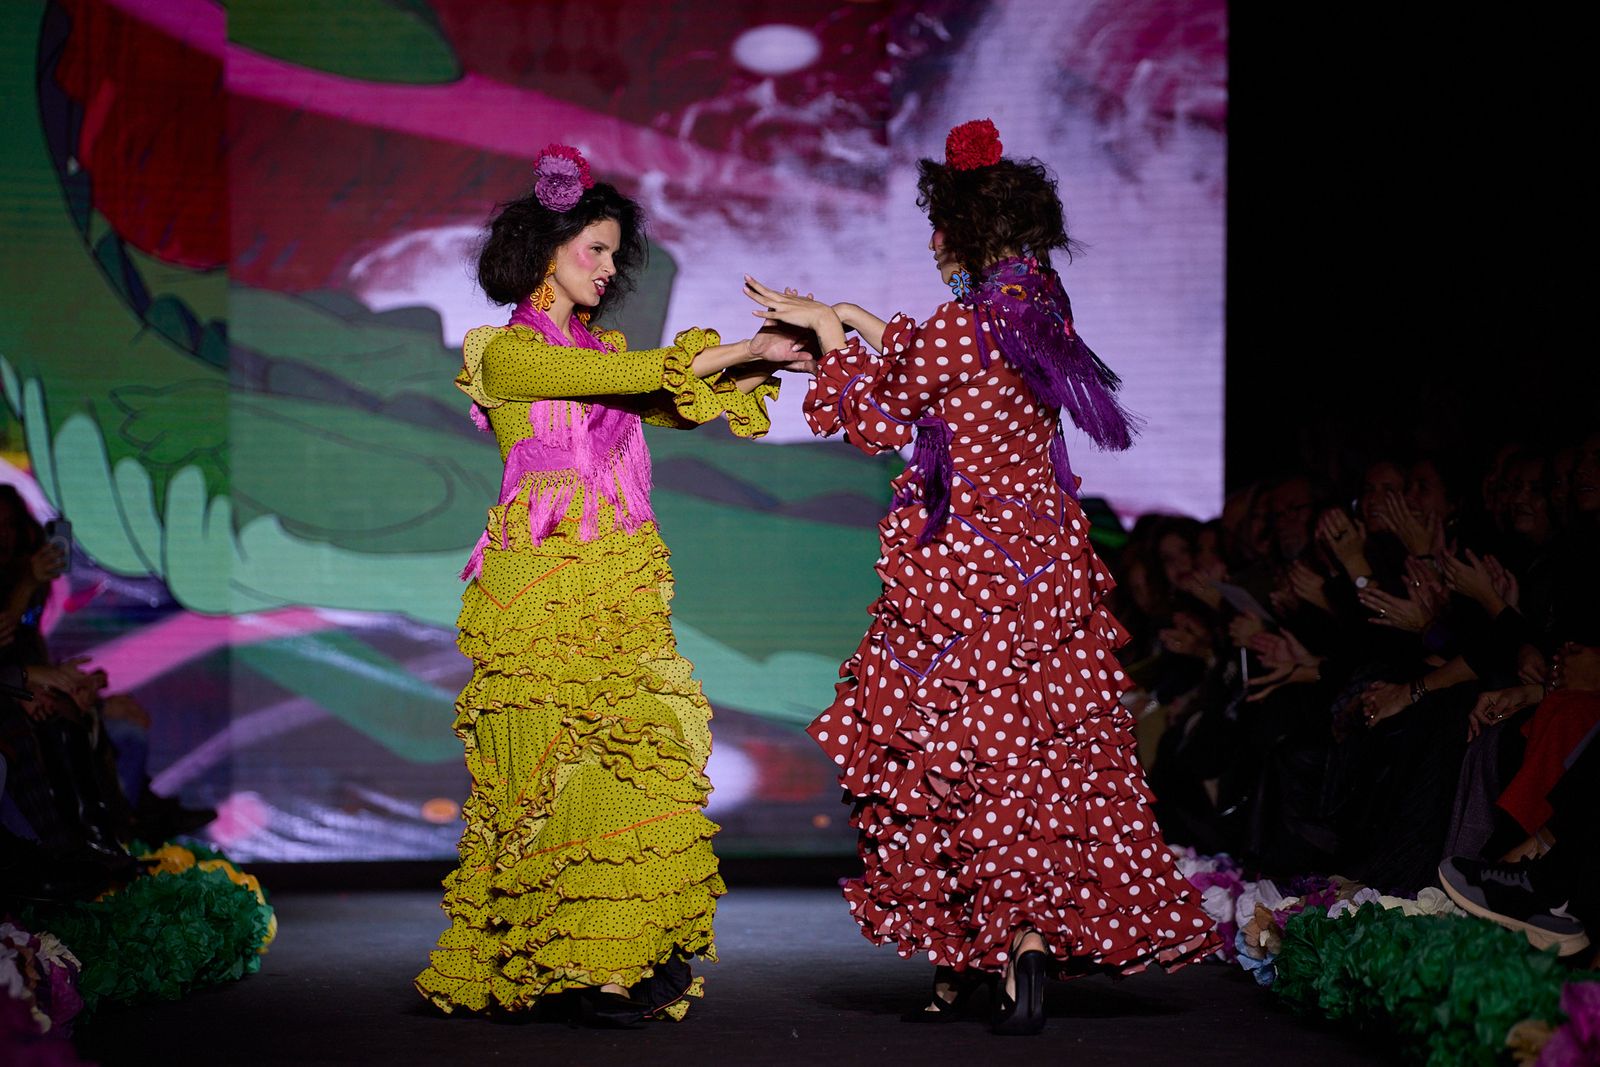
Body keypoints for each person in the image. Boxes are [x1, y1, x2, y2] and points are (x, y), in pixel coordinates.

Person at [744, 120, 1217, 1036]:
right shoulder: (1038, 303)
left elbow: (881, 417)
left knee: (947, 758)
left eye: (937, 226)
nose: (929, 241)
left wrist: (831, 332)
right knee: (1034, 759)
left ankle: (1000, 943)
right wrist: (849, 319)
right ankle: (1006, 942)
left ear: (963, 229)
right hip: (1045, 572)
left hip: (964, 572)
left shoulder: (967, 324)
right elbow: (943, 374)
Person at [414, 145, 808, 1027]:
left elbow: (670, 394)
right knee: (551, 776)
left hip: (617, 587)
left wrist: (764, 357)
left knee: (641, 752)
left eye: (611, 253)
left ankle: (616, 949)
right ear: (546, 250)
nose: (605, 267)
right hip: (542, 588)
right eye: (592, 248)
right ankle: (567, 963)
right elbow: (621, 379)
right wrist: (736, 348)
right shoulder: (509, 353)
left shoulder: (605, 353)